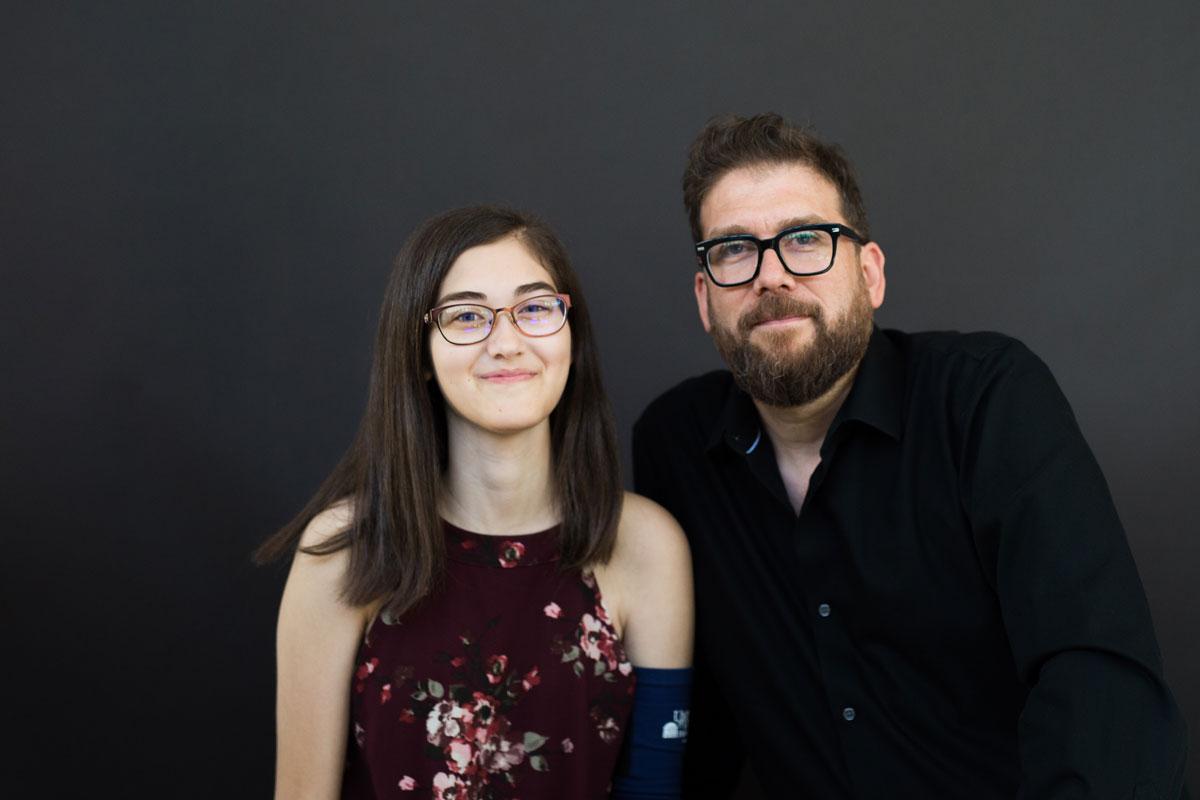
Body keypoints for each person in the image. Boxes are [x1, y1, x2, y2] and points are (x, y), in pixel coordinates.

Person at [632, 114, 1189, 798]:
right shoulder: (675, 447)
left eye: (807, 239)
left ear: (870, 275)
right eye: (734, 250)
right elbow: (697, 730)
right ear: (704, 299)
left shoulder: (985, 400)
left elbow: (1100, 683)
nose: (772, 275)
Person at [258, 206, 693, 799]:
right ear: (421, 355)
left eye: (535, 308)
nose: (507, 343)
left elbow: (654, 790)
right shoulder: (344, 551)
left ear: (571, 335)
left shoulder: (646, 547)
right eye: (467, 317)